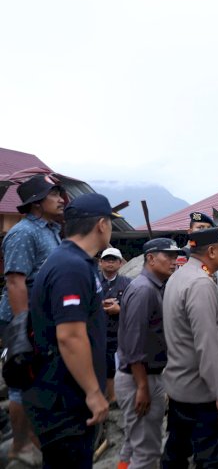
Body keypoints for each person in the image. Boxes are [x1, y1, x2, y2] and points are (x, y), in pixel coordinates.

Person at [24, 193, 120, 468]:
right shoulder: (71, 267)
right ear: (102, 224)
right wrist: (93, 391)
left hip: (65, 396)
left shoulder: (72, 260)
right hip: (65, 400)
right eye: (110, 223)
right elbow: (69, 336)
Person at [161, 227, 218, 468]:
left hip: (181, 386)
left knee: (177, 451)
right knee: (212, 458)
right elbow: (207, 344)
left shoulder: (181, 275)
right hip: (202, 393)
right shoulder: (200, 285)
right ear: (213, 251)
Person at [0, 174, 65, 465]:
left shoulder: (51, 231)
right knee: (21, 381)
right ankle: (19, 446)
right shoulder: (23, 233)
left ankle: (35, 439)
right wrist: (22, 327)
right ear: (37, 203)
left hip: (42, 318)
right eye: (55, 195)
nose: (62, 199)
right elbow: (15, 281)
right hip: (22, 319)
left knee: (40, 380)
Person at [115, 238, 182, 469]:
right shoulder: (143, 290)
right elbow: (134, 345)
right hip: (138, 378)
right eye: (168, 256)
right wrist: (143, 387)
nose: (174, 262)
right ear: (150, 258)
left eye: (175, 257)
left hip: (146, 376)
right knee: (147, 454)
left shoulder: (155, 286)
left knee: (132, 445)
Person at [98, 247, 131, 403]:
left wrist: (120, 309)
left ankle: (115, 397)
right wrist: (100, 305)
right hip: (97, 331)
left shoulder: (128, 283)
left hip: (119, 332)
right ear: (100, 262)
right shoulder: (93, 281)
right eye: (107, 260)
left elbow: (134, 307)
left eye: (114, 260)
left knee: (116, 365)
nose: (110, 263)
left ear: (120, 263)